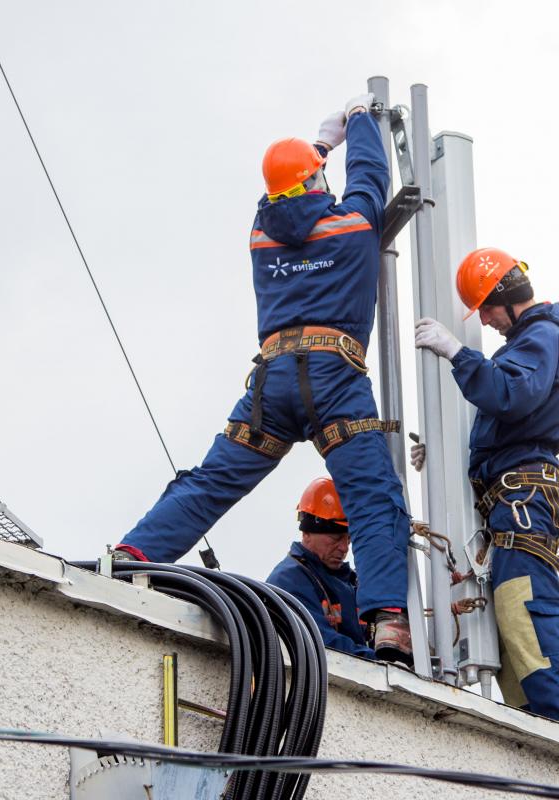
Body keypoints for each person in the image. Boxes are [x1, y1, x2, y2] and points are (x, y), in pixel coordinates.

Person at [114, 94, 413, 666]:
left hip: (272, 383)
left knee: (211, 481)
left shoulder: (262, 235)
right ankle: (390, 624)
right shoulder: (351, 227)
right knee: (373, 500)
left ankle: (133, 555)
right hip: (334, 377)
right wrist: (362, 124)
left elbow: (287, 194)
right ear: (318, 181)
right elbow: (370, 179)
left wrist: (319, 144)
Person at [412, 247, 559, 729]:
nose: (486, 322)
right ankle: (534, 722)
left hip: (523, 497)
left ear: (503, 297)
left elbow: (509, 394)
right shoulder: (535, 341)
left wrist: (458, 353)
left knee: (524, 601)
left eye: (486, 310)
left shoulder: (541, 337)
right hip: (511, 495)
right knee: (510, 611)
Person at [266, 477, 374, 659]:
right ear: (307, 533)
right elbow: (322, 642)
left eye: (348, 539)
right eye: (335, 538)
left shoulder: (353, 583)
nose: (344, 548)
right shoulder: (289, 581)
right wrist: (382, 662)